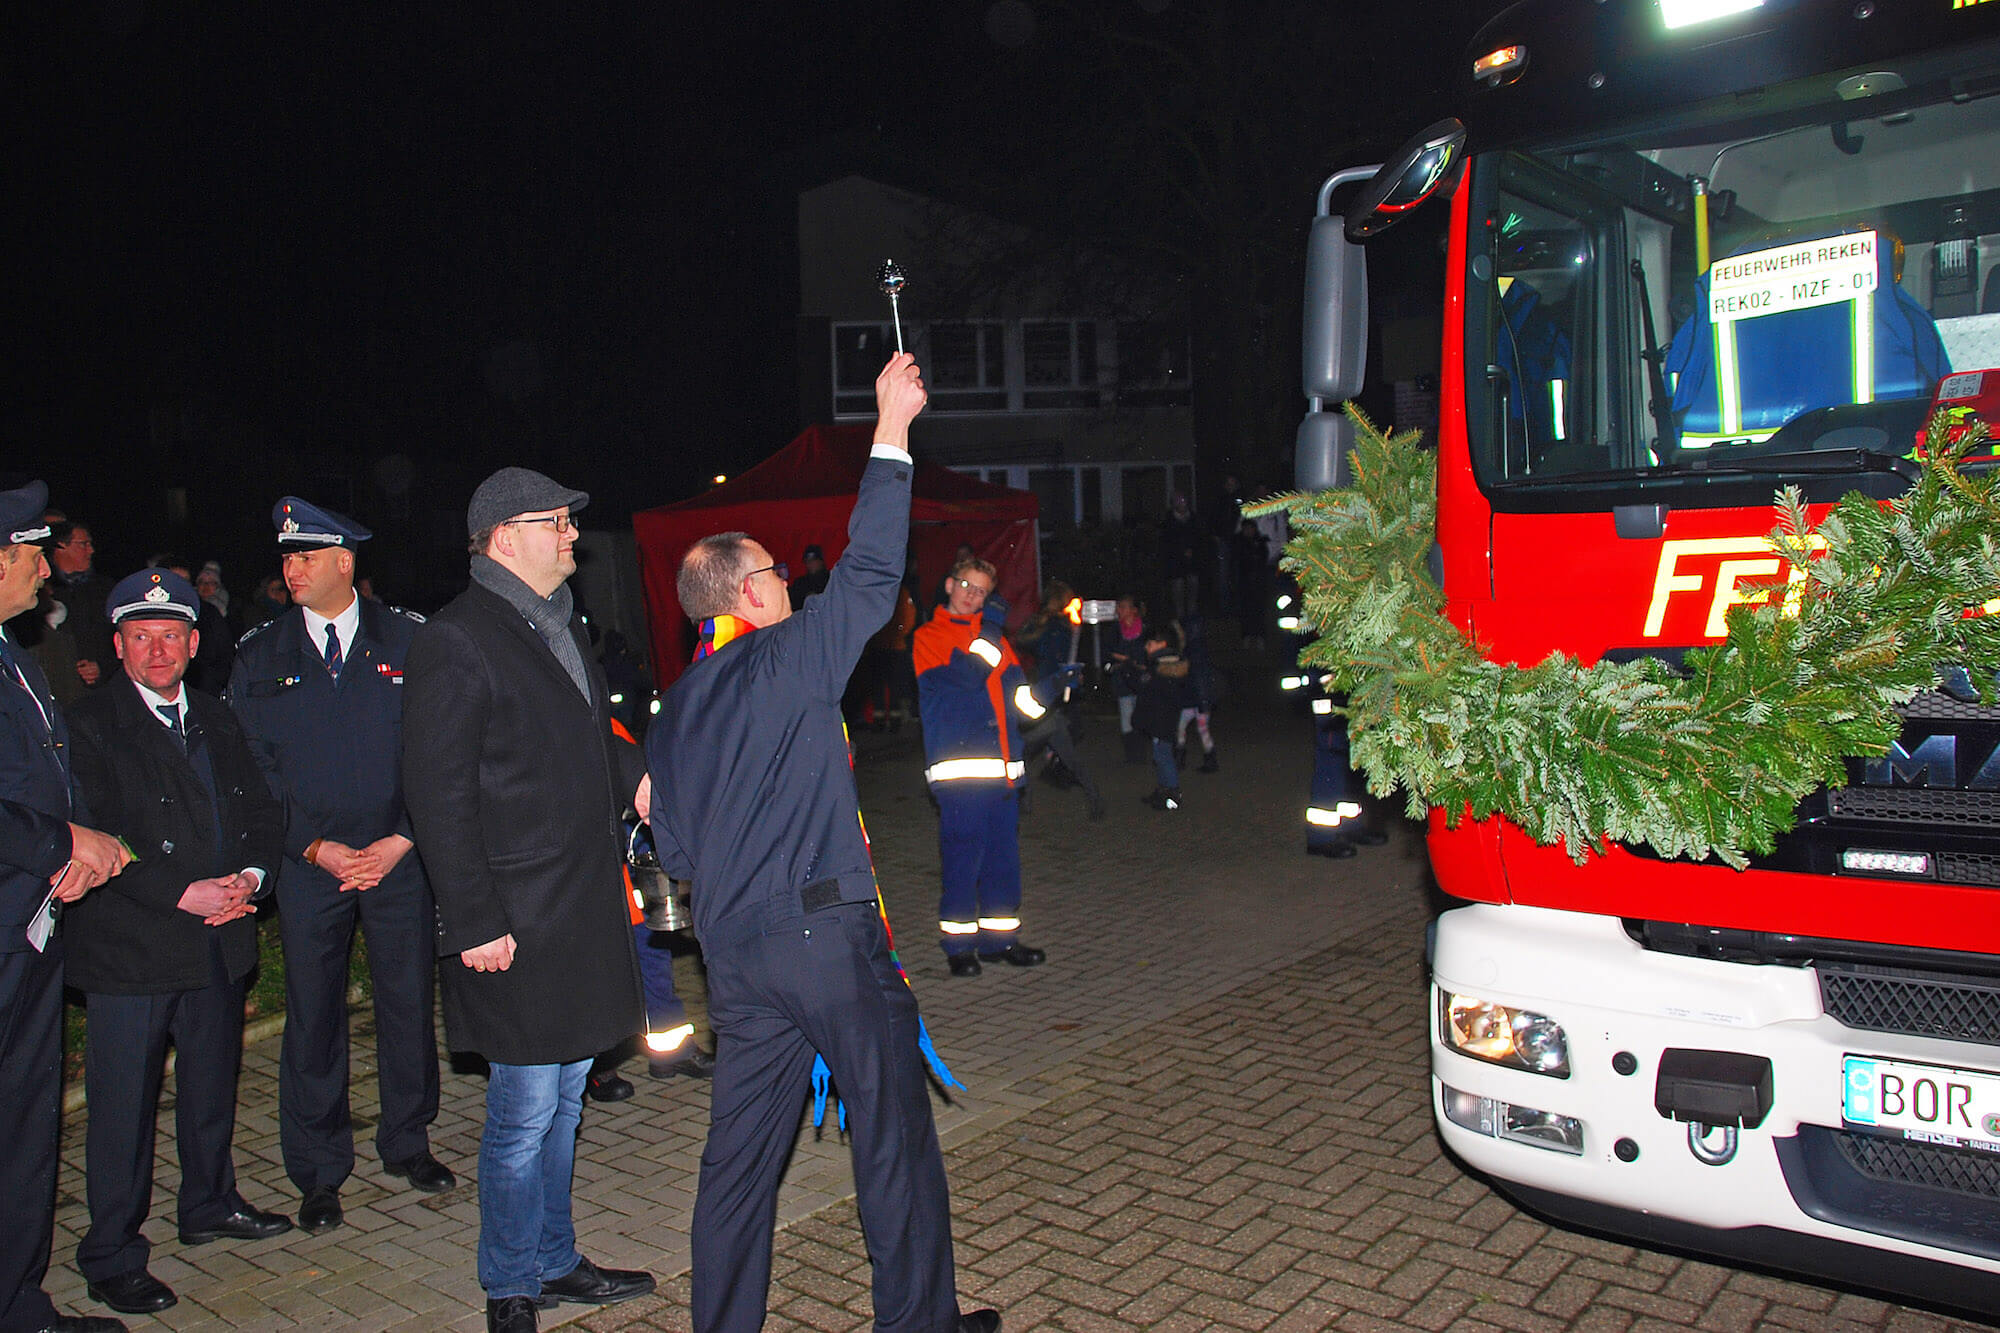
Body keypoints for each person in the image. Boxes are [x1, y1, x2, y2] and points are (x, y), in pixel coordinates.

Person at [647, 353, 1000, 1333]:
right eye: (774, 570)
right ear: (745, 595)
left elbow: (676, 855)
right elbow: (872, 572)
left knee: (735, 1168)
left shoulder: (674, 713)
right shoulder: (783, 658)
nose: (789, 583)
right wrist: (891, 428)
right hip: (825, 944)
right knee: (892, 1139)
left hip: (736, 961)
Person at [402, 468, 655, 1333]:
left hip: (577, 906)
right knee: (524, 1112)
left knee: (568, 1096)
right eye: (557, 522)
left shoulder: (556, 620)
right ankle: (510, 1282)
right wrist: (473, 919)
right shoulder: (457, 638)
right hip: (513, 919)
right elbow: (437, 795)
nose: (572, 534)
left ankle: (554, 1257)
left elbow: (590, 732)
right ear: (506, 537)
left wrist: (637, 777)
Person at [64, 569, 292, 1318]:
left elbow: (261, 808)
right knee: (122, 1110)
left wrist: (251, 878)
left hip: (218, 938)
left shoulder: (218, 716)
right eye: (141, 636)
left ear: (194, 644)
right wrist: (180, 891)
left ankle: (209, 1202)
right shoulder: (87, 723)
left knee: (210, 1087)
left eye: (171, 636)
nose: (157, 650)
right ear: (118, 645)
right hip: (132, 946)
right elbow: (93, 828)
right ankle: (111, 1252)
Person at [225, 498, 451, 1237]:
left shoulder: (409, 639)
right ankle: (319, 1170)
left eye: (306, 556)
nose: (290, 569)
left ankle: (408, 1140)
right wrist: (311, 846)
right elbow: (252, 768)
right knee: (314, 1014)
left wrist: (403, 838)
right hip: (309, 862)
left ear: (345, 562)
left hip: (396, 857)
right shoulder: (261, 653)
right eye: (286, 557)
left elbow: (440, 749)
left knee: (407, 1001)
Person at [0, 481, 133, 1333]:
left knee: (24, 1123)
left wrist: (73, 849)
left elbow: (45, 769)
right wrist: (61, 842)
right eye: (31, 553)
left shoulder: (13, 651)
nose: (46, 569)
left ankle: (18, 1299)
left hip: (29, 921)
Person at [913, 555, 1049, 977]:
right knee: (962, 861)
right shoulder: (929, 637)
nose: (973, 596)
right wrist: (990, 629)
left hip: (1003, 774)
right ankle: (959, 948)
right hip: (961, 775)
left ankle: (999, 941)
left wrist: (1054, 687)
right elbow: (968, 677)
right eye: (967, 586)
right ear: (949, 585)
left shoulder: (995, 640)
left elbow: (1021, 702)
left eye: (982, 592)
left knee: (1002, 862)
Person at [1014, 581, 1103, 820]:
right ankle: (1094, 798)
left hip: (1045, 698)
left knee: (1023, 754)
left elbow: (1024, 642)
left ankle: (1026, 802)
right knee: (1065, 754)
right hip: (1050, 697)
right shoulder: (1057, 627)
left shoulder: (1054, 626)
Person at [43, 522, 114, 694]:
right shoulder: (39, 592)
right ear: (61, 546)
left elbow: (122, 642)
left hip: (99, 694)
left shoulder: (106, 590)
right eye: (84, 544)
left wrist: (102, 667)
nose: (91, 550)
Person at [786, 543, 828, 611]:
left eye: (813, 560)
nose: (810, 563)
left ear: (821, 561)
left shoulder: (831, 580)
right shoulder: (800, 583)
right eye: (807, 561)